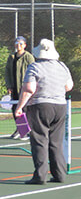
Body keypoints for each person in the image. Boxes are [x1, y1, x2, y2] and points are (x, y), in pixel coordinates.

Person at [14, 39, 73, 184]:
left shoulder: (34, 67)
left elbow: (29, 89)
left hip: (40, 106)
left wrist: (20, 107)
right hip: (60, 106)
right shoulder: (62, 66)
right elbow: (69, 86)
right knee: (56, 142)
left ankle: (40, 176)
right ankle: (59, 174)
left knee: (40, 140)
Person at [4, 36, 35, 139]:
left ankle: (28, 130)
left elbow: (33, 72)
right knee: (15, 109)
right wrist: (9, 85)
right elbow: (7, 72)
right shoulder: (11, 57)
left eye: (21, 44)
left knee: (26, 108)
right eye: (17, 43)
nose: (18, 46)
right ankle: (20, 129)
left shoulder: (28, 57)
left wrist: (29, 86)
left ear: (25, 45)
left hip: (25, 88)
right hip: (14, 88)